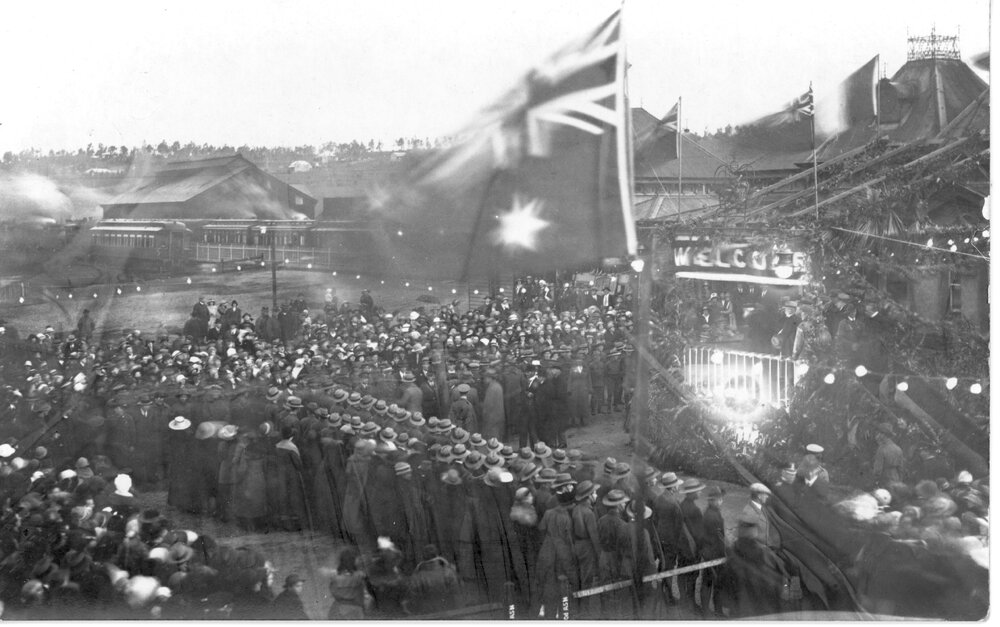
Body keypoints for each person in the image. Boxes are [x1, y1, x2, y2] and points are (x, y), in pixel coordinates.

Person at [404, 544, 460, 616]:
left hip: (427, 615)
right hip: (448, 613)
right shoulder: (448, 572)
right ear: (437, 554)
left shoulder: (417, 577)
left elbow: (412, 600)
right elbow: (457, 594)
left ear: (423, 557)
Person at [700, 485, 728, 617]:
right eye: (719, 499)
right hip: (713, 553)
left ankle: (711, 609)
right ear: (713, 501)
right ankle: (712, 610)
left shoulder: (711, 512)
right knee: (711, 582)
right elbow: (719, 537)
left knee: (710, 581)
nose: (721, 502)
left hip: (710, 552)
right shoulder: (712, 516)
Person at [326, 547, 367, 620]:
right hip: (352, 609)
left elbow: (333, 590)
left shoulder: (336, 576)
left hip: (339, 608)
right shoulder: (358, 576)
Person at [872, 423, 904, 487]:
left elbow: (878, 470)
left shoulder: (882, 449)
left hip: (885, 480)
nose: (878, 436)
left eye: (879, 433)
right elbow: (901, 468)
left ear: (883, 435)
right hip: (896, 479)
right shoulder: (898, 448)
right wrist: (900, 481)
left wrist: (875, 481)